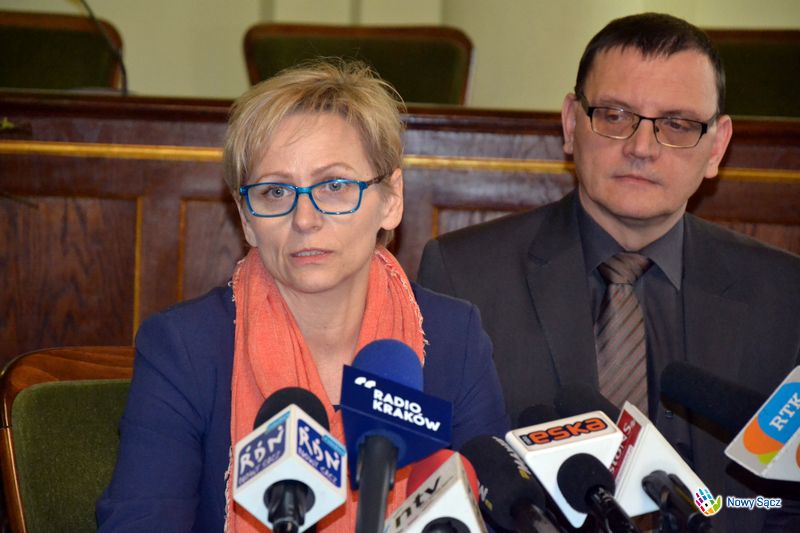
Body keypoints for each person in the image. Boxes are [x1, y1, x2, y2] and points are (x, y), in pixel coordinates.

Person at [418, 13, 800, 532]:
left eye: (677, 124)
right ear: (570, 123)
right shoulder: (464, 275)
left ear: (717, 146)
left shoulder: (783, 294)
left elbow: (785, 507)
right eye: (616, 115)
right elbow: (440, 484)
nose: (641, 147)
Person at [96, 60, 508, 532]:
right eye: (275, 192)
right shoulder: (185, 348)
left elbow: (494, 513)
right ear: (246, 218)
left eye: (334, 186)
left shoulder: (453, 338)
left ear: (391, 199)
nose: (304, 219)